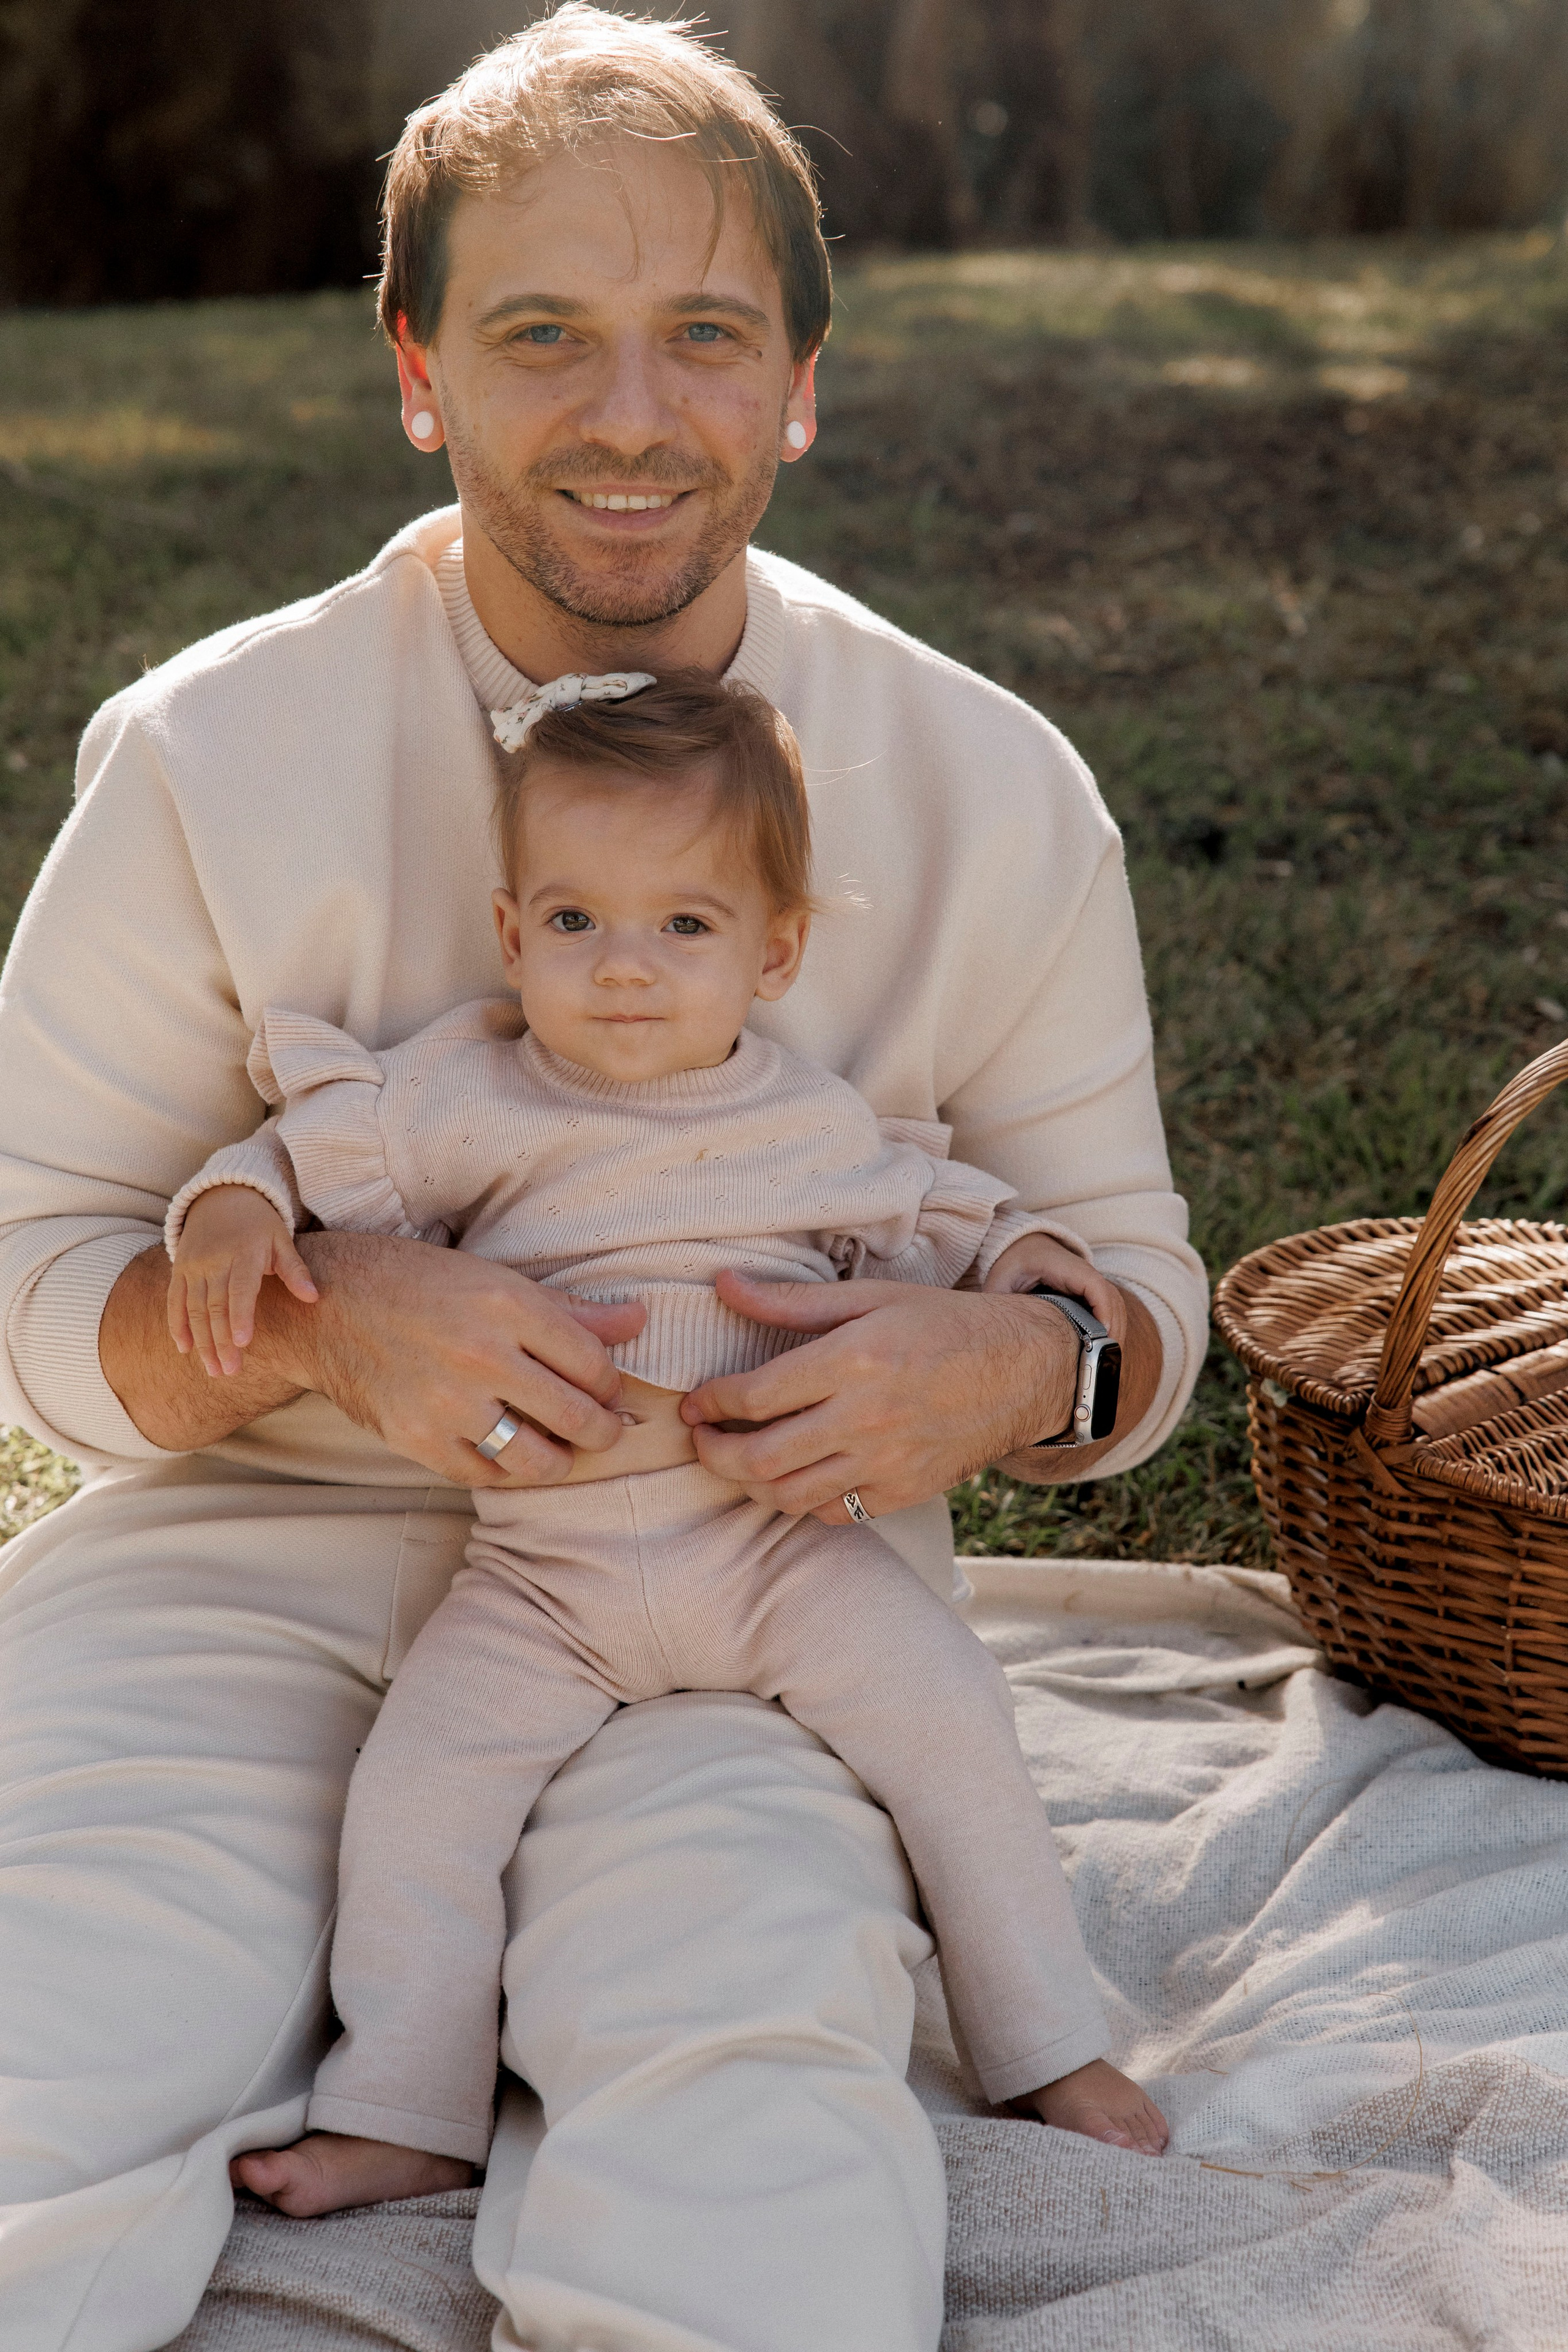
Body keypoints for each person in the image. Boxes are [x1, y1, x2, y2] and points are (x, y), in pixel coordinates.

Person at [0, 11, 1206, 2350]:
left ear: (801, 387)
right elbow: (33, 1276)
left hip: (740, 1586)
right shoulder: (206, 752)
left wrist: (1013, 1353)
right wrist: (325, 1304)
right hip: (241, 1551)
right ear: (418, 366)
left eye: (707, 340)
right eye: (543, 335)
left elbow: (1120, 1285)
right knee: (43, 2043)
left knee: (751, 2125)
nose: (633, 417)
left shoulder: (994, 786)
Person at [163, 669, 1171, 2218]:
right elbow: (297, 1155)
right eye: (575, 924)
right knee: (415, 1807)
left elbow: (967, 1224)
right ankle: (408, 2098)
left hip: (772, 1547)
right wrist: (227, 1215)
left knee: (954, 1730)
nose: (622, 970)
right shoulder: (463, 1096)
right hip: (540, 1581)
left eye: (683, 928)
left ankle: (1042, 2038)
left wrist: (1036, 1289)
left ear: (772, 953)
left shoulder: (814, 1124)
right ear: (512, 935)